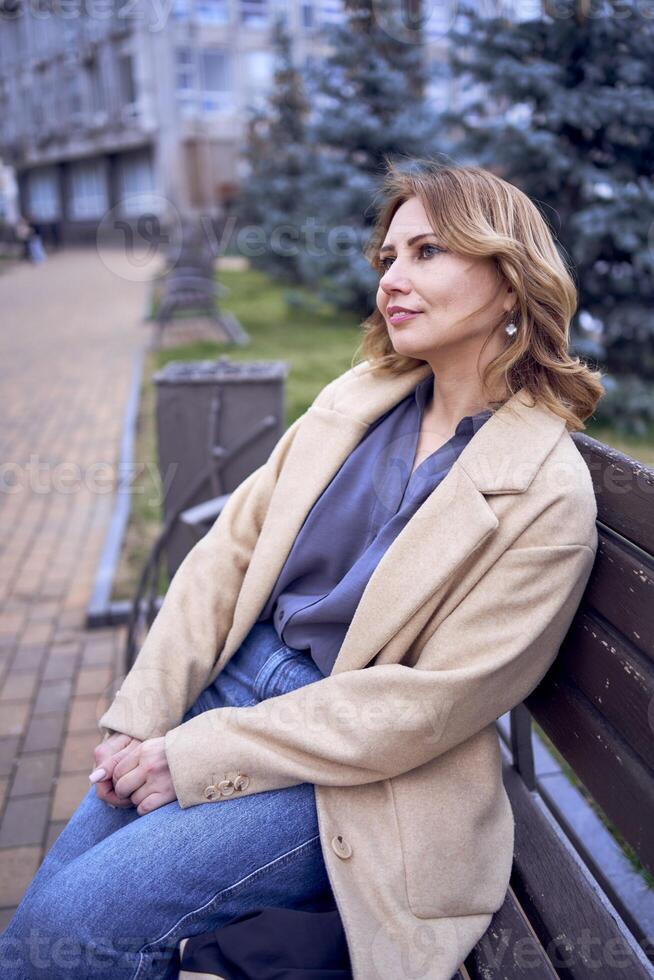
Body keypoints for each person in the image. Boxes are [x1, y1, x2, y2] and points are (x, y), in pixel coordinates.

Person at [0, 160, 604, 980]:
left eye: (428, 252)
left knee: (75, 933)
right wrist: (143, 716)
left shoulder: (546, 492)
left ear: (508, 283)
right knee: (39, 923)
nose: (393, 277)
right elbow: (228, 554)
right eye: (388, 256)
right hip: (227, 691)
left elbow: (423, 710)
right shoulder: (363, 398)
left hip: (351, 769)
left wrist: (196, 753)